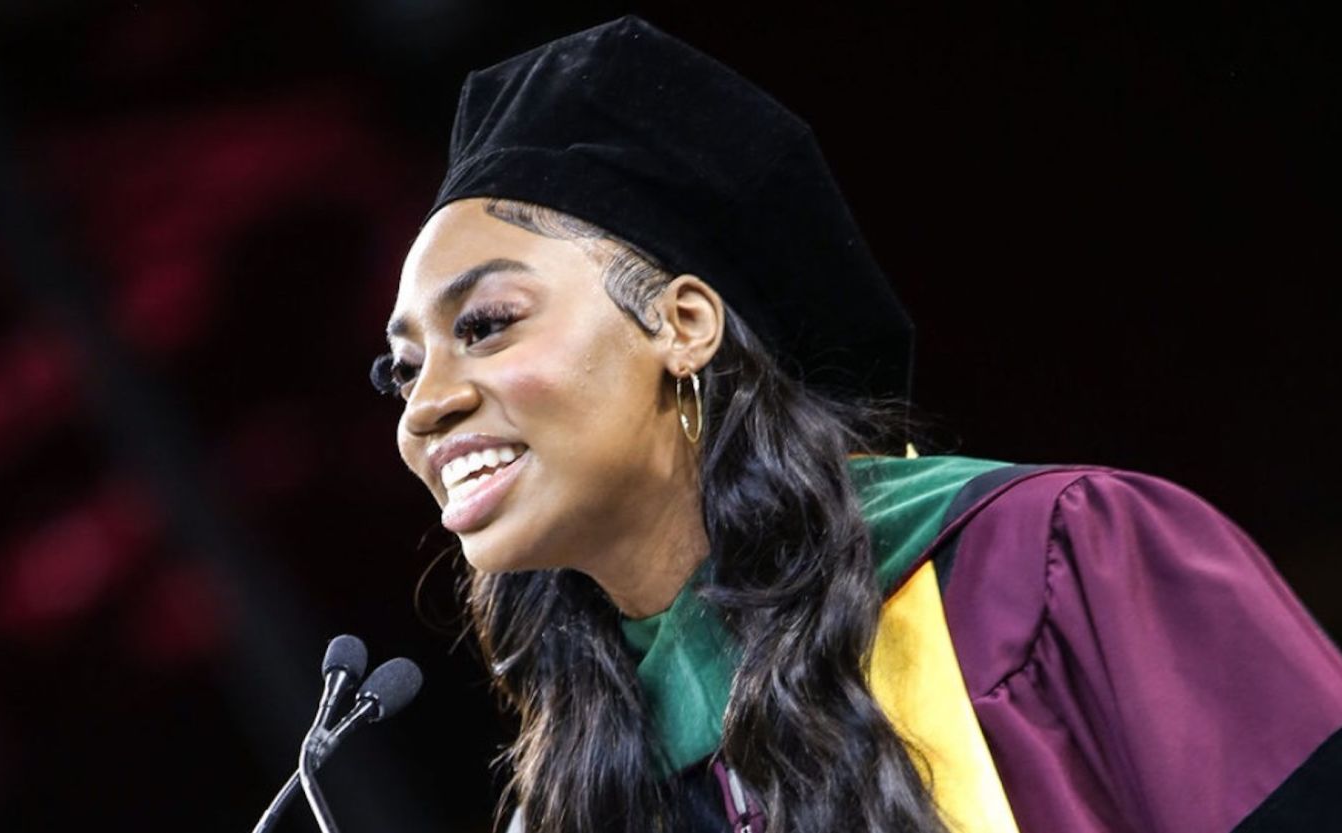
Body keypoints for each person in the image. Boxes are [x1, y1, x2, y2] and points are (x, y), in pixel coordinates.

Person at [372, 16, 1342, 833]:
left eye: (487, 325)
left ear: (683, 324)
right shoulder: (584, 792)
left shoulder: (1052, 562)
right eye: (403, 370)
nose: (426, 405)